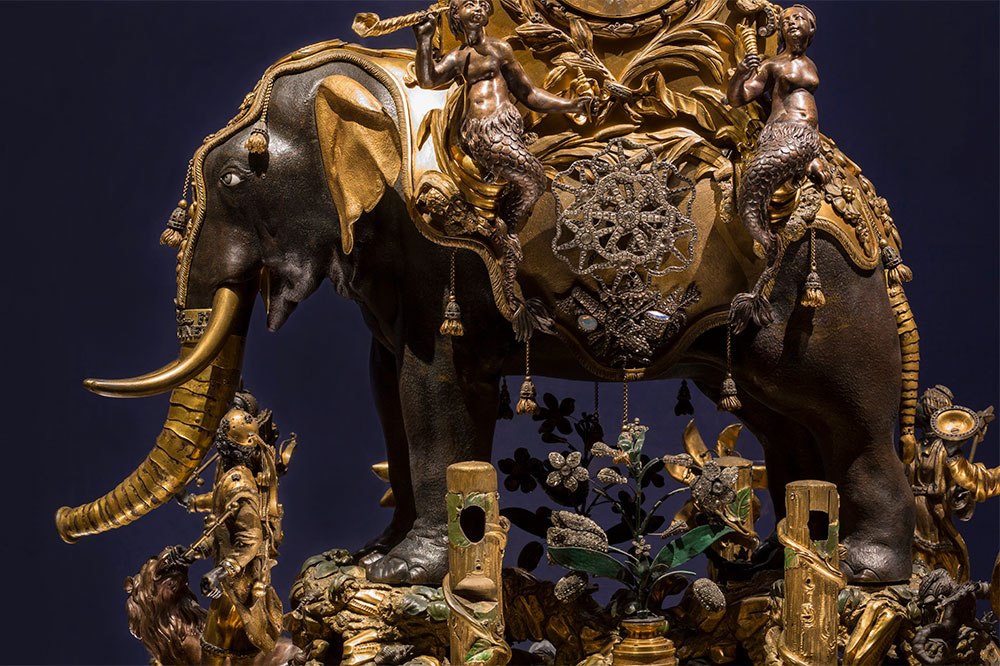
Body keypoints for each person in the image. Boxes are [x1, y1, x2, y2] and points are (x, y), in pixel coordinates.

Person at [413, 0, 591, 257]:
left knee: (534, 179)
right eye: (468, 4)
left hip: (504, 129)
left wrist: (572, 105)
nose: (476, 7)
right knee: (535, 179)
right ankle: (506, 231)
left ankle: (504, 223)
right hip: (482, 132)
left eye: (481, 3)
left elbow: (529, 94)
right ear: (455, 16)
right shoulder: (458, 57)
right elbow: (428, 79)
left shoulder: (500, 49)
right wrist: (424, 40)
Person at [726, 4, 826, 327]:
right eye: (787, 20)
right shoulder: (772, 64)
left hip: (808, 137)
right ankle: (768, 247)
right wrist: (742, 72)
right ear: (781, 31)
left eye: (800, 19)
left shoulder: (809, 64)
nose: (793, 23)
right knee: (753, 189)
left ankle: (808, 160)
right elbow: (739, 98)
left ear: (810, 30)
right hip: (781, 136)